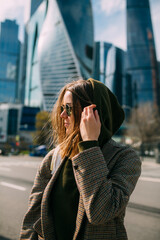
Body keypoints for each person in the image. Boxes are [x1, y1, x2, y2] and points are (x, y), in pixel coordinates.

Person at [20, 78, 141, 240]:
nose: (62, 115)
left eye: (68, 108)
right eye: (62, 108)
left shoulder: (125, 157)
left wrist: (90, 146)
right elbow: (32, 219)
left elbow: (101, 212)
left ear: (93, 112)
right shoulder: (53, 157)